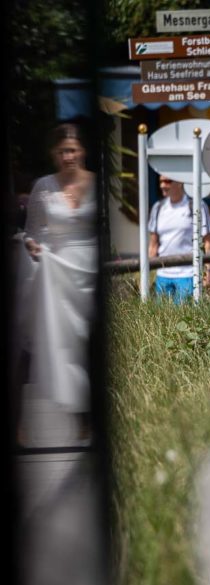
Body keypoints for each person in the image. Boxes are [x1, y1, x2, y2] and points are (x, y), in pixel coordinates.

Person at [18, 123, 98, 443]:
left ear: (83, 151)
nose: (68, 156)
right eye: (63, 151)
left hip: (90, 271)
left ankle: (92, 416)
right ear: (54, 153)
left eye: (73, 150)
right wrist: (33, 247)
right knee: (65, 346)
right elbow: (31, 232)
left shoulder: (96, 183)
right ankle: (77, 418)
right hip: (59, 273)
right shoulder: (43, 187)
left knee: (90, 343)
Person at [148, 176, 210, 303]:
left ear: (179, 182)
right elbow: (153, 245)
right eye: (160, 181)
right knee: (160, 315)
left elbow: (207, 243)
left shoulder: (197, 206)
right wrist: (148, 276)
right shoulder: (157, 208)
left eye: (167, 181)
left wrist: (208, 273)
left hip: (188, 275)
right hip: (162, 276)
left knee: (187, 314)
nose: (162, 185)